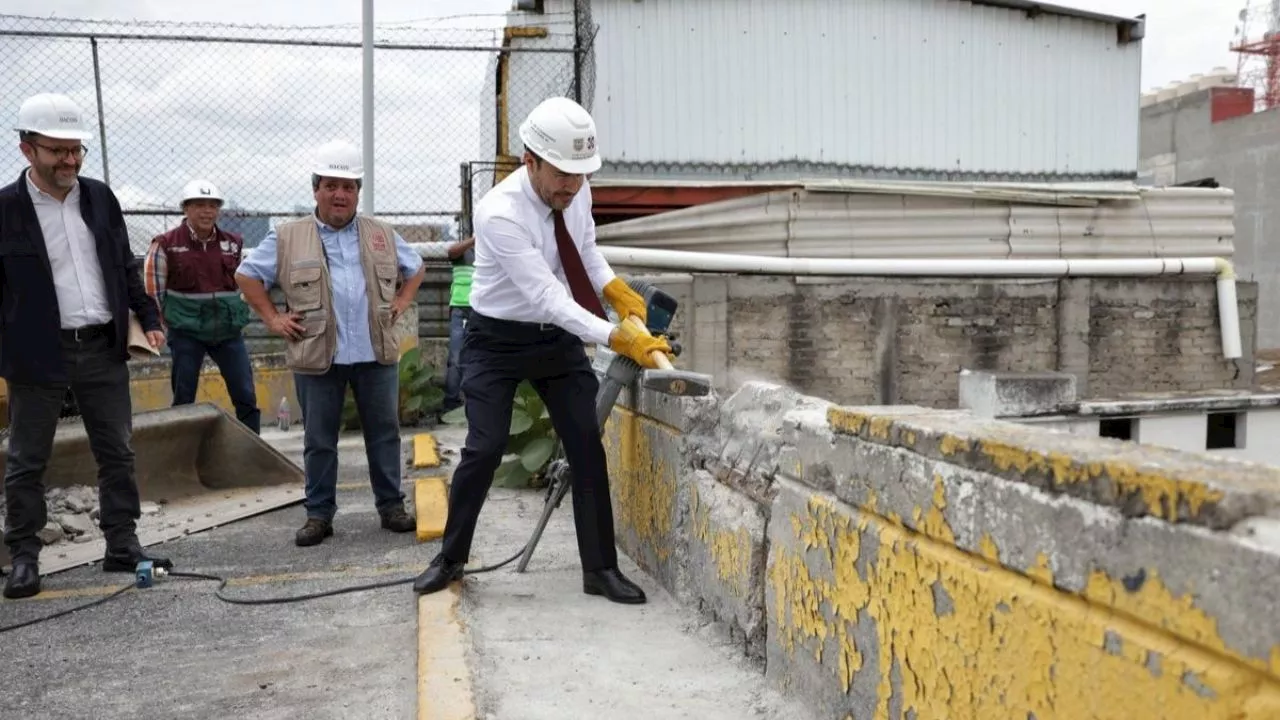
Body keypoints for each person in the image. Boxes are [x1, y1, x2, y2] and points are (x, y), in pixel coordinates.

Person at [412, 96, 672, 605]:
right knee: (483, 449)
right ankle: (450, 558)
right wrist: (617, 335)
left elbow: (586, 252)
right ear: (529, 160)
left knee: (585, 444)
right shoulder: (499, 214)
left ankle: (599, 569)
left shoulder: (577, 190)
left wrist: (613, 288)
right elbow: (547, 296)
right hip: (496, 340)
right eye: (561, 175)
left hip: (554, 342)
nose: (571, 186)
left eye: (580, 175)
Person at [0, 92, 171, 599]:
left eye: (76, 150)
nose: (70, 160)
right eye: (58, 150)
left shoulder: (99, 198)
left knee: (116, 450)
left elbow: (123, 262)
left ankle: (122, 544)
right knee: (28, 458)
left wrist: (148, 315)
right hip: (37, 352)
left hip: (101, 345)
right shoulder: (5, 209)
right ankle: (24, 558)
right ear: (28, 149)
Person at [234, 139, 427, 547]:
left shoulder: (382, 234)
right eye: (331, 186)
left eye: (349, 186)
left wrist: (402, 302)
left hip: (375, 351)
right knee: (319, 440)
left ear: (358, 192)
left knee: (385, 433)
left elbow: (417, 268)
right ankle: (319, 515)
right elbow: (247, 276)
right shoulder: (287, 237)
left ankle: (391, 506)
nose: (340, 194)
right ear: (316, 189)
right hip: (317, 353)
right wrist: (273, 318)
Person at [143, 179, 260, 433]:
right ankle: (182, 451)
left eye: (212, 205)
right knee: (184, 398)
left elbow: (247, 283)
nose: (207, 211)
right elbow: (153, 292)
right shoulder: (165, 244)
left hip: (228, 333)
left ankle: (252, 452)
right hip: (186, 333)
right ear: (185, 209)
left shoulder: (234, 243)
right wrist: (156, 326)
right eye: (199, 205)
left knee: (246, 395)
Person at [441, 234, 475, 417]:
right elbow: (451, 252)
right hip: (461, 308)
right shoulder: (464, 251)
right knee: (456, 357)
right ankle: (451, 403)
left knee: (478, 358)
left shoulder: (492, 250)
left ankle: (475, 404)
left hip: (481, 310)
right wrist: (473, 240)